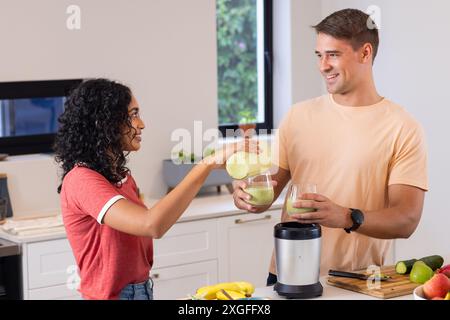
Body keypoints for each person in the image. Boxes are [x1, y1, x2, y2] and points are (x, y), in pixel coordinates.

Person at [232, 8, 428, 286]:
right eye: (319, 55)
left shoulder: (402, 127)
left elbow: (406, 220)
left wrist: (346, 216)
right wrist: (247, 194)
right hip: (287, 274)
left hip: (358, 282)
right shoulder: (297, 116)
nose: (323, 65)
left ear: (365, 53)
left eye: (333, 54)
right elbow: (269, 190)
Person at [54, 78, 257, 299]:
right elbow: (151, 224)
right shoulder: (81, 180)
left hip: (142, 291)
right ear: (103, 122)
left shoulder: (121, 178)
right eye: (132, 115)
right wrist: (205, 165)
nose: (141, 124)